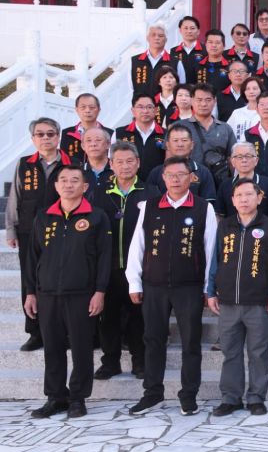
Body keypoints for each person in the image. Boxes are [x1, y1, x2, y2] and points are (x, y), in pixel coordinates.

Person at [125, 155, 218, 416]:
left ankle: (188, 395)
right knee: (153, 340)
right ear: (163, 178)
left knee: (191, 342)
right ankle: (152, 393)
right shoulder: (149, 206)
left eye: (181, 175)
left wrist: (208, 287)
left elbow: (211, 249)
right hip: (153, 285)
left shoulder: (203, 208)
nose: (176, 180)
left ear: (191, 178)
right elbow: (137, 246)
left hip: (189, 286)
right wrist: (134, 282)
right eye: (170, 175)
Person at [23, 164, 111, 419]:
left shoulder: (96, 217)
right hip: (47, 293)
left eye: (74, 180)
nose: (68, 184)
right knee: (52, 347)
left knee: (82, 347)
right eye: (63, 180)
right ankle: (55, 397)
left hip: (82, 294)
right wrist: (30, 292)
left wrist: (100, 291)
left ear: (85, 186)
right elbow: (32, 257)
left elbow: (104, 258)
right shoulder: (44, 216)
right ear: (56, 185)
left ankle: (77, 398)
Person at [206, 179, 268, 417]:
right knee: (230, 352)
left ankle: (256, 398)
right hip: (228, 302)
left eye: (249, 194)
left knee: (258, 353)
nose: (244, 199)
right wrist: (210, 291)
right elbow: (215, 259)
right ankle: (230, 398)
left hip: (258, 302)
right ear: (232, 200)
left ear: (259, 198)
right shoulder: (225, 226)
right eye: (239, 195)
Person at [7, 117, 73, 352]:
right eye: (40, 134)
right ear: (33, 138)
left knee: (63, 277)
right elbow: (15, 197)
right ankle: (35, 332)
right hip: (29, 230)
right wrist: (11, 228)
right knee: (29, 279)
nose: (46, 138)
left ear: (58, 137)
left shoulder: (71, 163)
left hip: (63, 230)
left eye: (50, 134)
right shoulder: (24, 164)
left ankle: (63, 330)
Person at [93, 141, 157, 381]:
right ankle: (110, 362)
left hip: (139, 269)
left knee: (138, 317)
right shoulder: (100, 193)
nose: (125, 166)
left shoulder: (150, 192)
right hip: (107, 267)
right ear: (111, 164)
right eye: (119, 161)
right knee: (108, 317)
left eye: (130, 161)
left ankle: (139, 362)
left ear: (138, 163)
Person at [147, 123, 218, 203]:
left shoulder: (203, 172)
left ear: (192, 145)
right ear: (167, 145)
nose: (180, 144)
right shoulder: (156, 173)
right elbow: (150, 203)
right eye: (175, 140)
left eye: (184, 140)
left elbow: (209, 203)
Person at [182, 84, 237, 186]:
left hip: (219, 183)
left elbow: (232, 159)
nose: (203, 104)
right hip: (188, 183)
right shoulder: (180, 127)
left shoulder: (225, 128)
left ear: (214, 101)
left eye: (208, 100)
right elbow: (169, 158)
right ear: (192, 101)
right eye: (199, 100)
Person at [215, 143, 268, 219]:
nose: (244, 160)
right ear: (232, 162)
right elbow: (220, 215)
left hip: (264, 226)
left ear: (256, 160)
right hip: (231, 226)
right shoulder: (225, 186)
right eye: (239, 157)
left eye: (248, 156)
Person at [60, 93, 112, 162]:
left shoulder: (110, 133)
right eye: (83, 107)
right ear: (77, 110)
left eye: (92, 107)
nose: (87, 110)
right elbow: (64, 159)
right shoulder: (67, 133)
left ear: (99, 110)